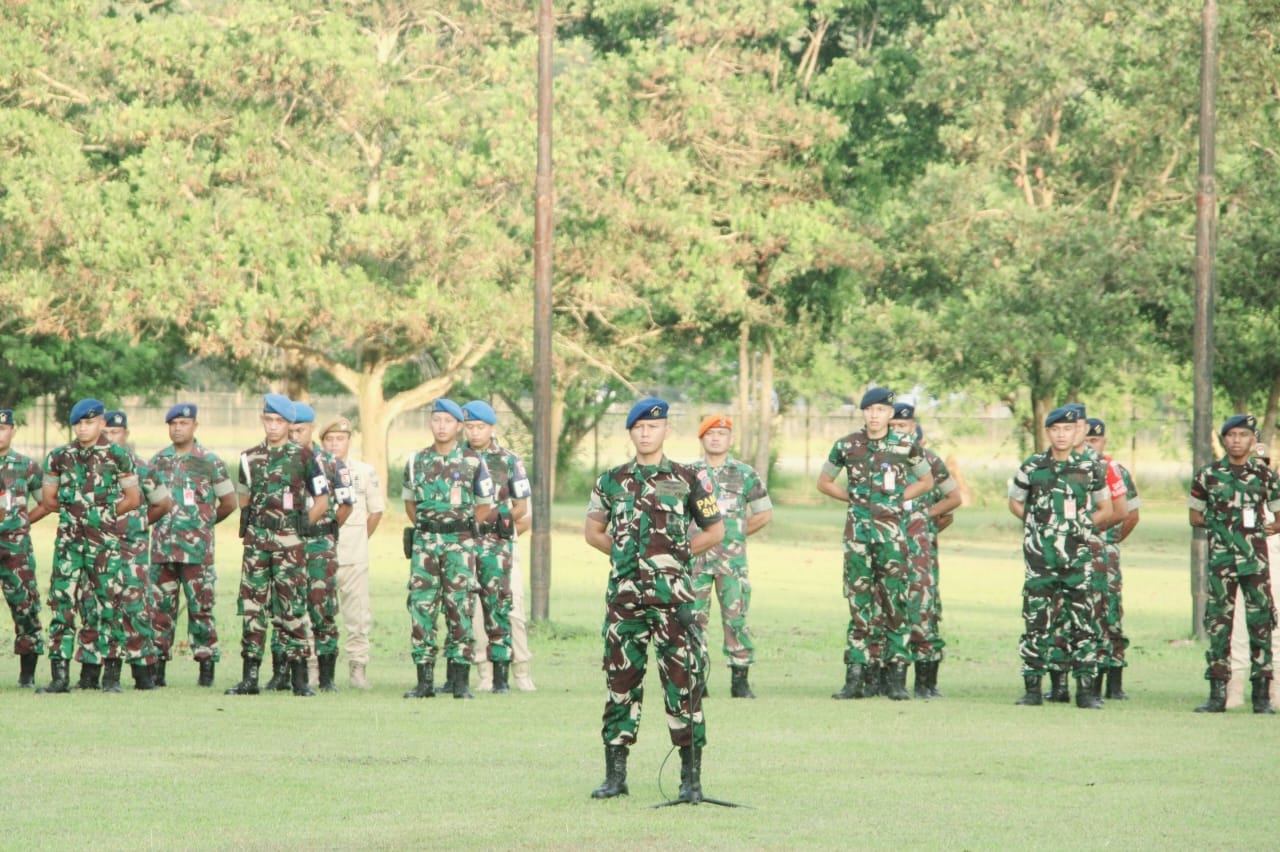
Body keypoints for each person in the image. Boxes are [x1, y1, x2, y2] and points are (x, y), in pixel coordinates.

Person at [585, 397, 724, 802]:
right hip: (624, 601)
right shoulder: (610, 481)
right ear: (630, 432)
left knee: (684, 685)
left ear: (666, 431)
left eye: (653, 427)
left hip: (674, 601)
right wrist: (627, 556)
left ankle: (690, 779)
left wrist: (677, 556)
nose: (645, 433)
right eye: (638, 428)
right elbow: (594, 531)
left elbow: (715, 530)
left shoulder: (687, 478)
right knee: (620, 683)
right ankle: (615, 776)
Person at [818, 387, 933, 701]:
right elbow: (824, 481)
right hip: (858, 537)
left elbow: (926, 480)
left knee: (895, 604)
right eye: (869, 410)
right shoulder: (847, 445)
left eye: (881, 410)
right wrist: (854, 500)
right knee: (859, 605)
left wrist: (897, 500)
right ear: (863, 412)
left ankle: (896, 678)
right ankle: (855, 677)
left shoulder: (906, 444)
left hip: (892, 538)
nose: (874, 415)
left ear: (890, 414)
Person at [1008, 405, 1114, 709]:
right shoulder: (1032, 466)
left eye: (1068, 429)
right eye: (1056, 429)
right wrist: (1034, 526)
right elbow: (1015, 502)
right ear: (1048, 432)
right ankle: (1032, 689)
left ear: (1076, 431)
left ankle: (1086, 691)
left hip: (1076, 558)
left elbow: (1104, 508)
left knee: (1083, 622)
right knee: (1036, 622)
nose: (1062, 434)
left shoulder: (1090, 467)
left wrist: (1081, 528)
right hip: (1040, 559)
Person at [225, 394, 330, 697]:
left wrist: (299, 526)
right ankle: (250, 676)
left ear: (288, 424)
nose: (273, 426)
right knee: (252, 607)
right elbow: (244, 499)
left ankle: (299, 679)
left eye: (279, 421)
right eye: (268, 420)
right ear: (263, 420)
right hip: (257, 542)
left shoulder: (305, 457)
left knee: (291, 606)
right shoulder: (249, 457)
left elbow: (322, 500)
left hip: (289, 544)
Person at [37, 398, 143, 694]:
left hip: (104, 543)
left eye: (88, 422)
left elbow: (133, 499)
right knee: (62, 605)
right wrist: (76, 514)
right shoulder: (59, 456)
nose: (83, 428)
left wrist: (103, 516)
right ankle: (59, 676)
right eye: (78, 423)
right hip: (69, 544)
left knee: (110, 605)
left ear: (101, 423)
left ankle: (111, 676)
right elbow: (49, 500)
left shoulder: (118, 455)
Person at [401, 398, 494, 700]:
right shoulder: (417, 461)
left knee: (460, 608)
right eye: (436, 420)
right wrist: (431, 528)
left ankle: (460, 681)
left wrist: (461, 529)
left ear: (458, 426)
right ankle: (424, 681)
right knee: (422, 607)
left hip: (459, 546)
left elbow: (484, 505)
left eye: (448, 421)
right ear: (431, 423)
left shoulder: (472, 462)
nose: (441, 426)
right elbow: (410, 503)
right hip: (425, 545)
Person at [1188, 413, 1280, 714]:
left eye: (1243, 435)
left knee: (1261, 625)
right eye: (1231, 435)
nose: (1236, 440)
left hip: (1255, 564)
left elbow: (1278, 515)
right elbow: (1195, 516)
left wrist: (1267, 528)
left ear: (1253, 440)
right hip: (1221, 563)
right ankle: (1217, 694)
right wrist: (1221, 525)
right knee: (1218, 625)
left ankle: (1262, 696)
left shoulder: (1266, 475)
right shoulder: (1207, 475)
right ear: (1223, 439)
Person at [147, 403, 237, 687]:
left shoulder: (210, 461)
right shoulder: (158, 461)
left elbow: (229, 503)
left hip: (197, 551)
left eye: (183, 423)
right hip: (163, 549)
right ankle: (157, 668)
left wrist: (203, 525)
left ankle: (206, 668)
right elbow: (149, 501)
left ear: (195, 426)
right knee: (160, 610)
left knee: (201, 608)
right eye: (173, 424)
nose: (178, 428)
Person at [689, 413, 772, 699]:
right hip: (695, 561)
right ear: (701, 439)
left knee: (735, 618)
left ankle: (740, 678)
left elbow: (764, 513)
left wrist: (734, 533)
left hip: (731, 561)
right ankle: (697, 680)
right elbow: (669, 510)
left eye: (721, 434)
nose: (716, 438)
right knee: (693, 619)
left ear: (730, 439)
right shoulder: (686, 473)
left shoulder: (745, 474)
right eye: (710, 434)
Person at [888, 402, 962, 699]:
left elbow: (953, 499)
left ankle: (926, 681)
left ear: (914, 427)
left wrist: (923, 516)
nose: (897, 432)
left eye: (902, 426)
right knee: (888, 609)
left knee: (923, 609)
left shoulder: (929, 460)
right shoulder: (878, 461)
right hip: (885, 547)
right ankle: (887, 679)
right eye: (892, 427)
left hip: (919, 550)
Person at [462, 400, 531, 694]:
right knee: (474, 611)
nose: (475, 432)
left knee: (511, 606)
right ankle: (485, 672)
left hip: (500, 543)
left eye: (480, 427)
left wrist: (494, 518)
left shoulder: (509, 460)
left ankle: (521, 671)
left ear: (491, 428)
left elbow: (521, 507)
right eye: (470, 426)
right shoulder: (457, 459)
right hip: (466, 542)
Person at [285, 402, 354, 693]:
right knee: (286, 605)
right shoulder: (280, 461)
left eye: (299, 430)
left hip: (319, 544)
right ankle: (285, 673)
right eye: (290, 430)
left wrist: (324, 529)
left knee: (321, 605)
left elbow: (347, 504)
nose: (293, 435)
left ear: (312, 429)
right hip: (287, 543)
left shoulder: (332, 463)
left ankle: (326, 676)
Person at [104, 410, 174, 690]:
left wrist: (141, 523)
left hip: (132, 550)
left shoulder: (141, 468)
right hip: (101, 549)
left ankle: (143, 674)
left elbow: (163, 503)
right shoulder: (94, 469)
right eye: (106, 432)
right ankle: (106, 674)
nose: (111, 437)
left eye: (116, 432)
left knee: (137, 608)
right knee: (104, 607)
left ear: (125, 434)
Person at [320, 417, 385, 689]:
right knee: (319, 615)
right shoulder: (315, 470)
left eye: (341, 438)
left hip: (354, 555)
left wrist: (360, 538)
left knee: (357, 617)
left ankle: (358, 670)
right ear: (322, 442)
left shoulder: (364, 471)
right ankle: (317, 670)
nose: (335, 444)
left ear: (349, 441)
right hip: (320, 556)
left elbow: (376, 511)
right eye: (330, 439)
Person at [1085, 417, 1140, 700]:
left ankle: (1114, 680)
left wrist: (1110, 541)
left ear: (1104, 441)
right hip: (1075, 552)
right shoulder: (1073, 469)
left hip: (1105, 553)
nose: (1089, 445)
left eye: (1094, 440)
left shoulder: (1115, 470)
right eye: (1085, 440)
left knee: (1110, 613)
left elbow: (1131, 516)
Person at [0, 408, 53, 687]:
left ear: (12, 431)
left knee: (25, 605)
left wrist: (22, 522)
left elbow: (46, 502)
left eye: (3, 428)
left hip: (15, 549)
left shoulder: (25, 466)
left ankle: (27, 674)